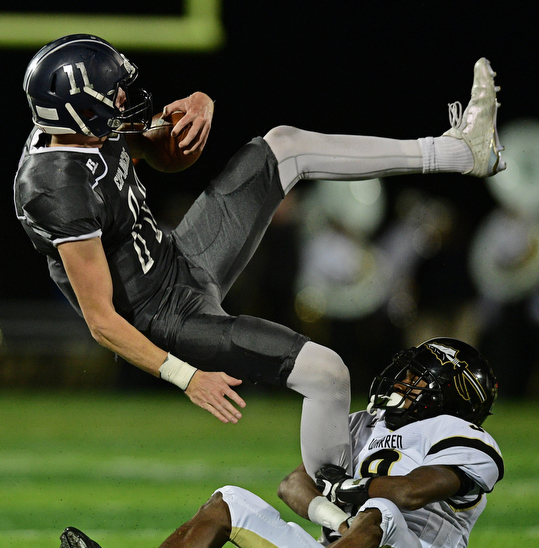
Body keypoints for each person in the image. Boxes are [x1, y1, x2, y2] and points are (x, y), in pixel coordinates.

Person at [14, 33, 505, 478]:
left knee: (284, 146)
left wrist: (196, 109)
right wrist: (187, 378)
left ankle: (458, 152)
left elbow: (162, 157)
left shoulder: (88, 129)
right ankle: (338, 520)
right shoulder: (55, 188)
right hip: (164, 319)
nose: (124, 97)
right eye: (112, 93)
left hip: (180, 258)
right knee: (328, 374)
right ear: (80, 110)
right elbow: (101, 321)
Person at [59, 337, 503, 548]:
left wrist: (346, 490)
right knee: (231, 500)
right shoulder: (365, 424)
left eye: (419, 378)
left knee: (383, 512)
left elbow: (408, 493)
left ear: (455, 395)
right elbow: (293, 484)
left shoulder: (467, 437)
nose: (404, 382)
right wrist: (334, 515)